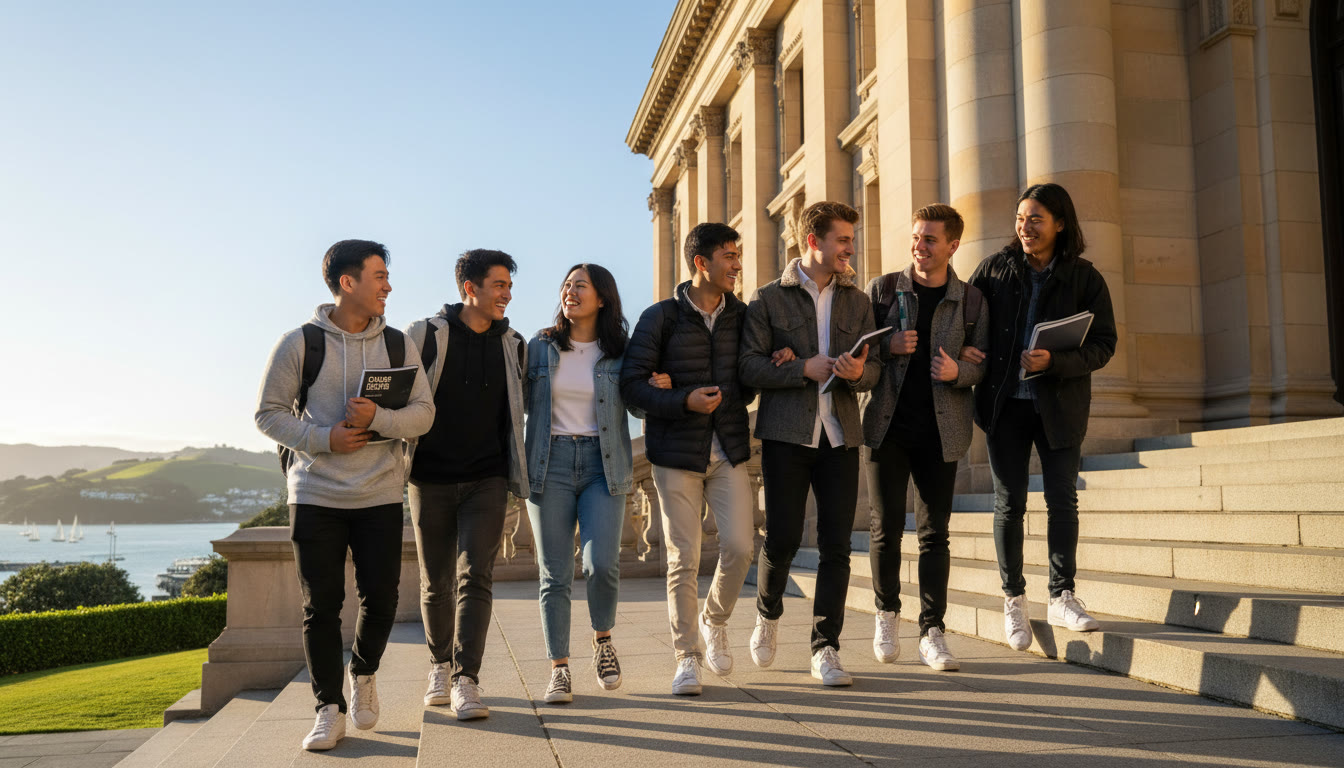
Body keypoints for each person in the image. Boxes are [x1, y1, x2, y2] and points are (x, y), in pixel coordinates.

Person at [255, 239, 434, 751]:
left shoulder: (399, 344)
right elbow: (268, 414)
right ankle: (327, 709)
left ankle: (364, 671)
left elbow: (424, 413)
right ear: (347, 282)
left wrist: (378, 419)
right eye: (379, 275)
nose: (388, 285)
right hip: (315, 494)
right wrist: (324, 439)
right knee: (321, 607)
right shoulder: (300, 343)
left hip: (379, 492)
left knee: (382, 598)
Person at [964, 182, 1117, 651]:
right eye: (1020, 218)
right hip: (1004, 406)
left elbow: (1103, 344)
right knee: (1009, 504)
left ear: (1060, 224)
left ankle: (1061, 596)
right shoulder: (992, 270)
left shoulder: (1085, 278)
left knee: (1062, 500)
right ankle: (1013, 599)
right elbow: (967, 325)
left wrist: (1056, 361)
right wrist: (969, 351)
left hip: (1059, 406)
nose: (1024, 227)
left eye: (1035, 219)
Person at [738, 201, 881, 687]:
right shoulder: (766, 299)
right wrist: (801, 367)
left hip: (840, 435)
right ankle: (767, 612)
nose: (850, 248)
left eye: (851, 239)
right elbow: (748, 368)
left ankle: (826, 646)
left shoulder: (859, 301)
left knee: (836, 545)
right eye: (842, 239)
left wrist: (861, 372)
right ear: (812, 242)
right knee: (780, 538)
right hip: (785, 435)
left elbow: (875, 366)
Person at [620, 222, 756, 695]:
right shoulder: (660, 317)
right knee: (684, 556)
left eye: (738, 256)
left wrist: (774, 359)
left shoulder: (744, 316)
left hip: (730, 449)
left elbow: (750, 374)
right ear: (702, 263)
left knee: (740, 547)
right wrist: (683, 401)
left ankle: (714, 620)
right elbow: (632, 386)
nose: (737, 265)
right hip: (676, 454)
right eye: (729, 256)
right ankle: (687, 656)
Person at [862, 204, 989, 672]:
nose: (920, 246)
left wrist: (961, 371)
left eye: (930, 239)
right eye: (916, 237)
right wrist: (886, 345)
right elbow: (857, 348)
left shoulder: (970, 300)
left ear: (952, 246)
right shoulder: (882, 290)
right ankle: (887, 614)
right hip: (887, 427)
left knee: (935, 535)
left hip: (943, 431)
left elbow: (985, 361)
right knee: (886, 529)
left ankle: (932, 631)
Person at [404, 249, 527, 721]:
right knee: (436, 582)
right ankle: (439, 664)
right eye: (499, 285)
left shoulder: (513, 343)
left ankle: (465, 679)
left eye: (509, 286)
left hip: (487, 478)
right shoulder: (424, 336)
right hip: (429, 477)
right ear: (468, 288)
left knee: (476, 574)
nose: (507, 295)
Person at [524, 263, 635, 704]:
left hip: (601, 465)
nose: (570, 291)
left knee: (601, 564)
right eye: (567, 285)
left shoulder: (621, 353)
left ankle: (603, 640)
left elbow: (642, 407)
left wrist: (659, 384)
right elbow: (513, 400)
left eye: (581, 285)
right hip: (547, 463)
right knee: (554, 574)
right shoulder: (540, 348)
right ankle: (559, 668)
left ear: (602, 298)